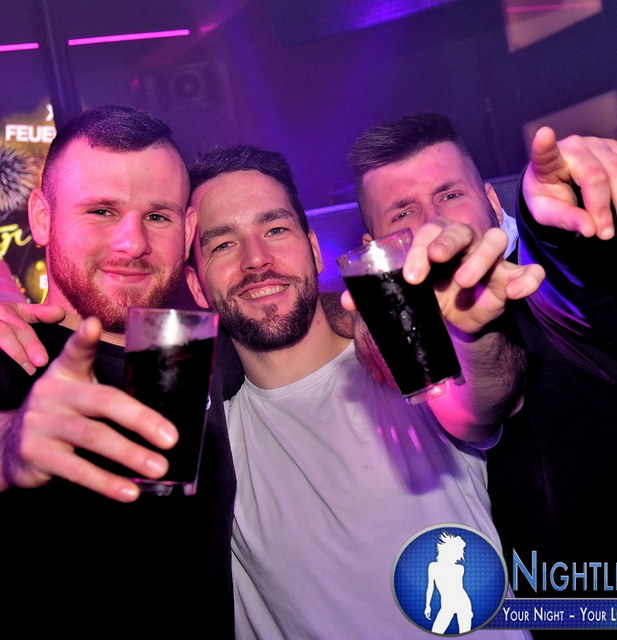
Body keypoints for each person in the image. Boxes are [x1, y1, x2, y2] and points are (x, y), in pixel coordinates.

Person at [185, 144, 541, 638]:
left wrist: (471, 333)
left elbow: (486, 394)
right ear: (197, 286)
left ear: (314, 249)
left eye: (275, 229)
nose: (256, 260)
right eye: (223, 244)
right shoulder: (207, 452)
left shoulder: (408, 371)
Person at [348, 112, 617, 600]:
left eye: (450, 195)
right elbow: (475, 409)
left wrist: (553, 216)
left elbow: (582, 286)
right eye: (402, 213)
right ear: (373, 248)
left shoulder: (547, 285)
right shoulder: (401, 347)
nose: (433, 223)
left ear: (492, 201)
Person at [0, 105, 237, 635]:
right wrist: (11, 443)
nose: (133, 243)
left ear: (187, 229)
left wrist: (354, 320)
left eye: (158, 216)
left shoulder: (207, 355)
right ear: (42, 217)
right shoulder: (8, 353)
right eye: (102, 211)